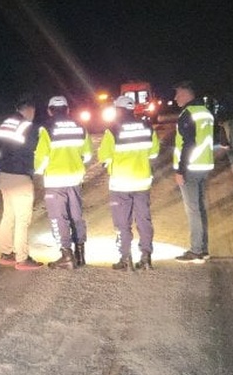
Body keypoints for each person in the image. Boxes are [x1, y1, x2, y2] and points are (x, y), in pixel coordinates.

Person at [98, 95, 161, 270]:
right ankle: (146, 257)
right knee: (144, 220)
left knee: (122, 223)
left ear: (118, 110)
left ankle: (125, 258)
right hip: (142, 182)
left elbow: (104, 157)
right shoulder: (147, 127)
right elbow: (154, 153)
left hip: (120, 183)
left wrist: (111, 165)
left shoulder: (112, 130)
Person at [34, 95, 92, 269]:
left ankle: (66, 256)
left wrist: (37, 171)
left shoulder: (46, 128)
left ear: (50, 111)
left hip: (55, 180)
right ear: (68, 109)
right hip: (75, 178)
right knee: (76, 216)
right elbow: (87, 155)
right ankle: (80, 255)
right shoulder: (80, 127)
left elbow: (42, 157)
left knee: (59, 218)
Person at [0, 94, 43, 270]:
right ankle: (22, 258)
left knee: (8, 215)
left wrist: (0, 167)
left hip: (4, 176)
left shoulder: (5, 124)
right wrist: (35, 171)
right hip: (20, 177)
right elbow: (34, 151)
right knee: (23, 219)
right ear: (29, 110)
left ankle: (6, 253)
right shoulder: (27, 127)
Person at [172, 81, 215, 264]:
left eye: (178, 94)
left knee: (193, 210)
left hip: (190, 167)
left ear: (187, 95)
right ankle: (203, 247)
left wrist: (180, 170)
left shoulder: (188, 114)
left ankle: (196, 250)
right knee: (200, 208)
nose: (175, 98)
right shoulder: (205, 112)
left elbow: (188, 144)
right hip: (204, 165)